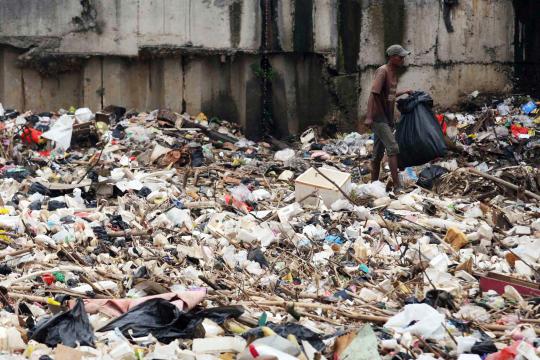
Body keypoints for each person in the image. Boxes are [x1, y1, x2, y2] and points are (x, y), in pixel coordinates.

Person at [364, 44, 412, 192]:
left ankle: (373, 184)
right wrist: (369, 117)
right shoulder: (383, 71)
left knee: (378, 153)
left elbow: (389, 96)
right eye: (400, 56)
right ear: (392, 57)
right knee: (393, 148)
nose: (403, 59)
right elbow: (374, 94)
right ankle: (397, 186)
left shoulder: (393, 73)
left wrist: (404, 92)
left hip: (386, 118)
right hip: (378, 118)